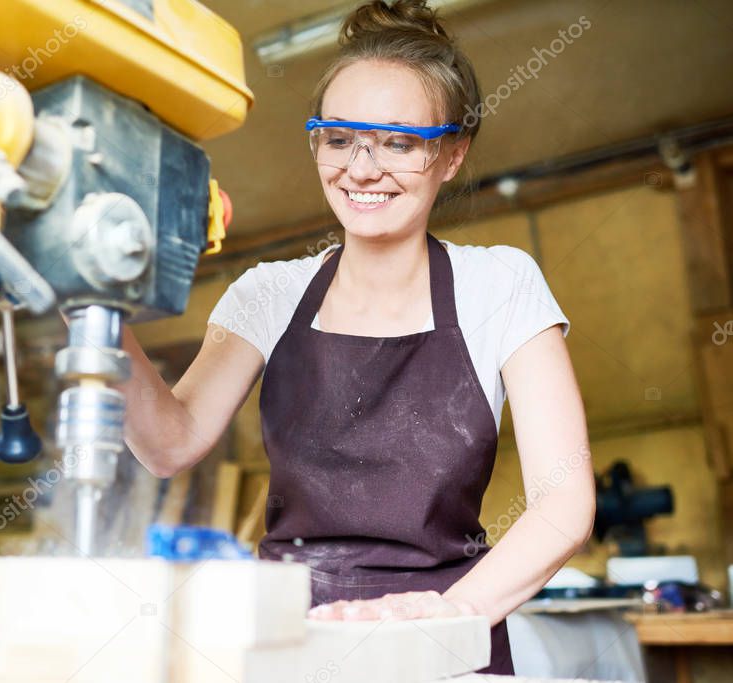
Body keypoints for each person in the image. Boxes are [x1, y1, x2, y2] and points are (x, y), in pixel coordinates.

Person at [117, 0, 595, 674]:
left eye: (398, 141)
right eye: (338, 137)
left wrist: (439, 614)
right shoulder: (267, 292)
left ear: (451, 154)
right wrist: (92, 306)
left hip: (448, 642)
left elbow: (564, 501)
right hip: (292, 645)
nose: (362, 167)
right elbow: (168, 442)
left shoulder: (501, 286)